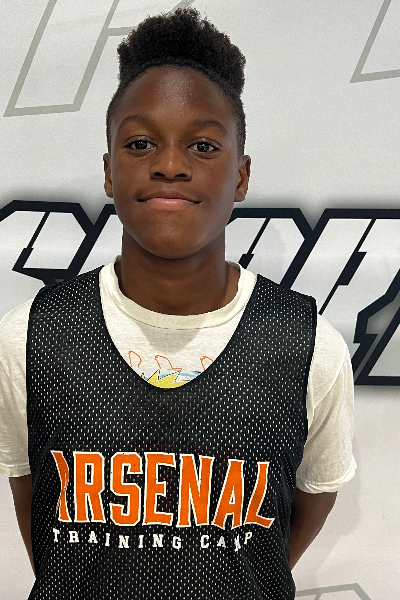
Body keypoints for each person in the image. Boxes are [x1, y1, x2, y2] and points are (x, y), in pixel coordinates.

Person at [0, 7, 356, 599]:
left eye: (203, 146)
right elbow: (36, 509)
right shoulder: (33, 338)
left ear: (240, 176)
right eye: (141, 144)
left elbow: (304, 509)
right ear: (110, 171)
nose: (169, 165)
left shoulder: (307, 346)